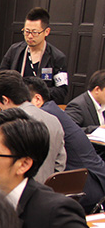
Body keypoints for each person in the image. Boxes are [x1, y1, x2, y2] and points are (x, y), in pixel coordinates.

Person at [25, 76, 105, 212]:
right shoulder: (53, 110)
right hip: (89, 181)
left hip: (83, 187)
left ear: (37, 99)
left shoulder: (45, 117)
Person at [0, 70, 66, 184]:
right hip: (47, 188)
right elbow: (60, 162)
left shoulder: (8, 124)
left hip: (17, 188)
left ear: (5, 100)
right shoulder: (54, 120)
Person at [0, 7, 68, 103]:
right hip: (15, 104)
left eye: (35, 32)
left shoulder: (57, 57)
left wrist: (36, 94)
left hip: (41, 106)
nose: (30, 36)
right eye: (27, 31)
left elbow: (61, 90)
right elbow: (0, 78)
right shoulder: (14, 50)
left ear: (46, 32)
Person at [63, 69, 105, 134]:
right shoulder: (77, 106)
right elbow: (69, 130)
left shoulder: (102, 103)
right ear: (97, 90)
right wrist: (98, 129)